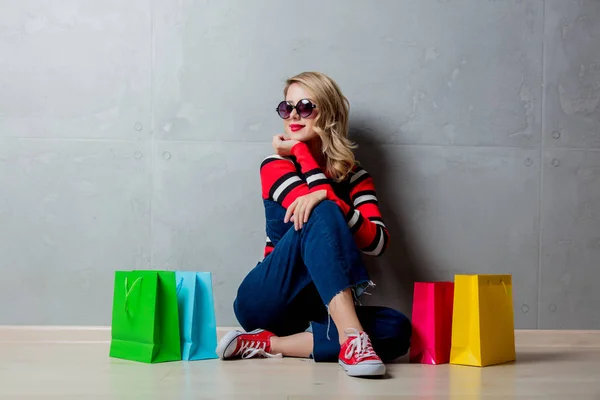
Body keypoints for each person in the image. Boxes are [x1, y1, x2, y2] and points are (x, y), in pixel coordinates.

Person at [216, 72, 411, 377]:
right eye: (286, 107)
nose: (293, 115)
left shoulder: (356, 176)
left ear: (329, 114)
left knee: (398, 329)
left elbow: (377, 242)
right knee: (321, 208)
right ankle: (350, 339)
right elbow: (316, 206)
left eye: (305, 107)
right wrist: (300, 152)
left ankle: (270, 345)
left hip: (318, 309)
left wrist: (310, 164)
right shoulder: (275, 164)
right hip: (268, 297)